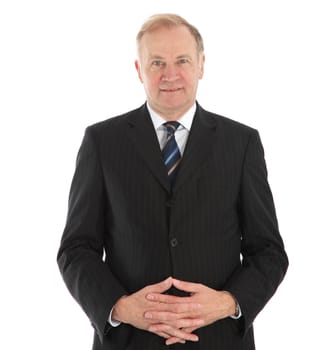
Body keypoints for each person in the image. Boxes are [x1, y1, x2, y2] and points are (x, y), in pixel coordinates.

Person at [57, 13, 288, 350]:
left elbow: (268, 252)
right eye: (156, 63)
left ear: (201, 65)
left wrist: (227, 302)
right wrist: (120, 308)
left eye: (182, 60)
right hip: (130, 340)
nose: (170, 74)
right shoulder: (102, 142)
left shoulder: (241, 143)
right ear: (139, 70)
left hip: (218, 340)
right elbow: (76, 249)